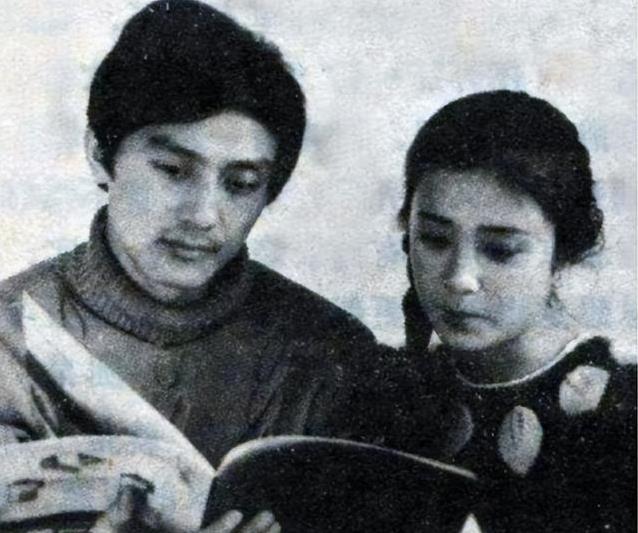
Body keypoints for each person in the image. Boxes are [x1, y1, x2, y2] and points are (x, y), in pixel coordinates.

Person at [0, 1, 376, 530]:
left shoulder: (332, 354)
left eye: (240, 184)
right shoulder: (8, 339)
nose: (203, 215)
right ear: (99, 155)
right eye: (173, 170)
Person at [373, 90, 636, 532]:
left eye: (500, 250)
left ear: (562, 252)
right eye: (435, 239)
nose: (461, 278)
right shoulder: (390, 394)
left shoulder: (621, 409)